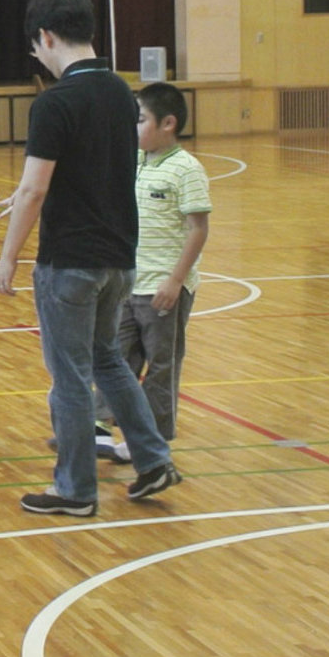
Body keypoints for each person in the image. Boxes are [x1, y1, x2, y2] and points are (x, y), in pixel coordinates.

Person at [0, 0, 182, 516]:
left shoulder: (54, 102)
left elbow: (35, 189)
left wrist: (7, 256)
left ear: (46, 37)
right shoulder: (123, 95)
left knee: (71, 375)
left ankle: (75, 489)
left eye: (37, 49)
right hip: (119, 258)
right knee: (107, 361)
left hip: (70, 261)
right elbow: (89, 170)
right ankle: (152, 459)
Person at [91, 82, 211, 454]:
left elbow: (198, 228)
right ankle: (98, 425)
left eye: (140, 120)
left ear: (168, 123)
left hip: (164, 289)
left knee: (161, 365)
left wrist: (176, 281)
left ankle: (153, 439)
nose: (133, 127)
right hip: (128, 284)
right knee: (116, 356)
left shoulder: (186, 170)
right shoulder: (135, 164)